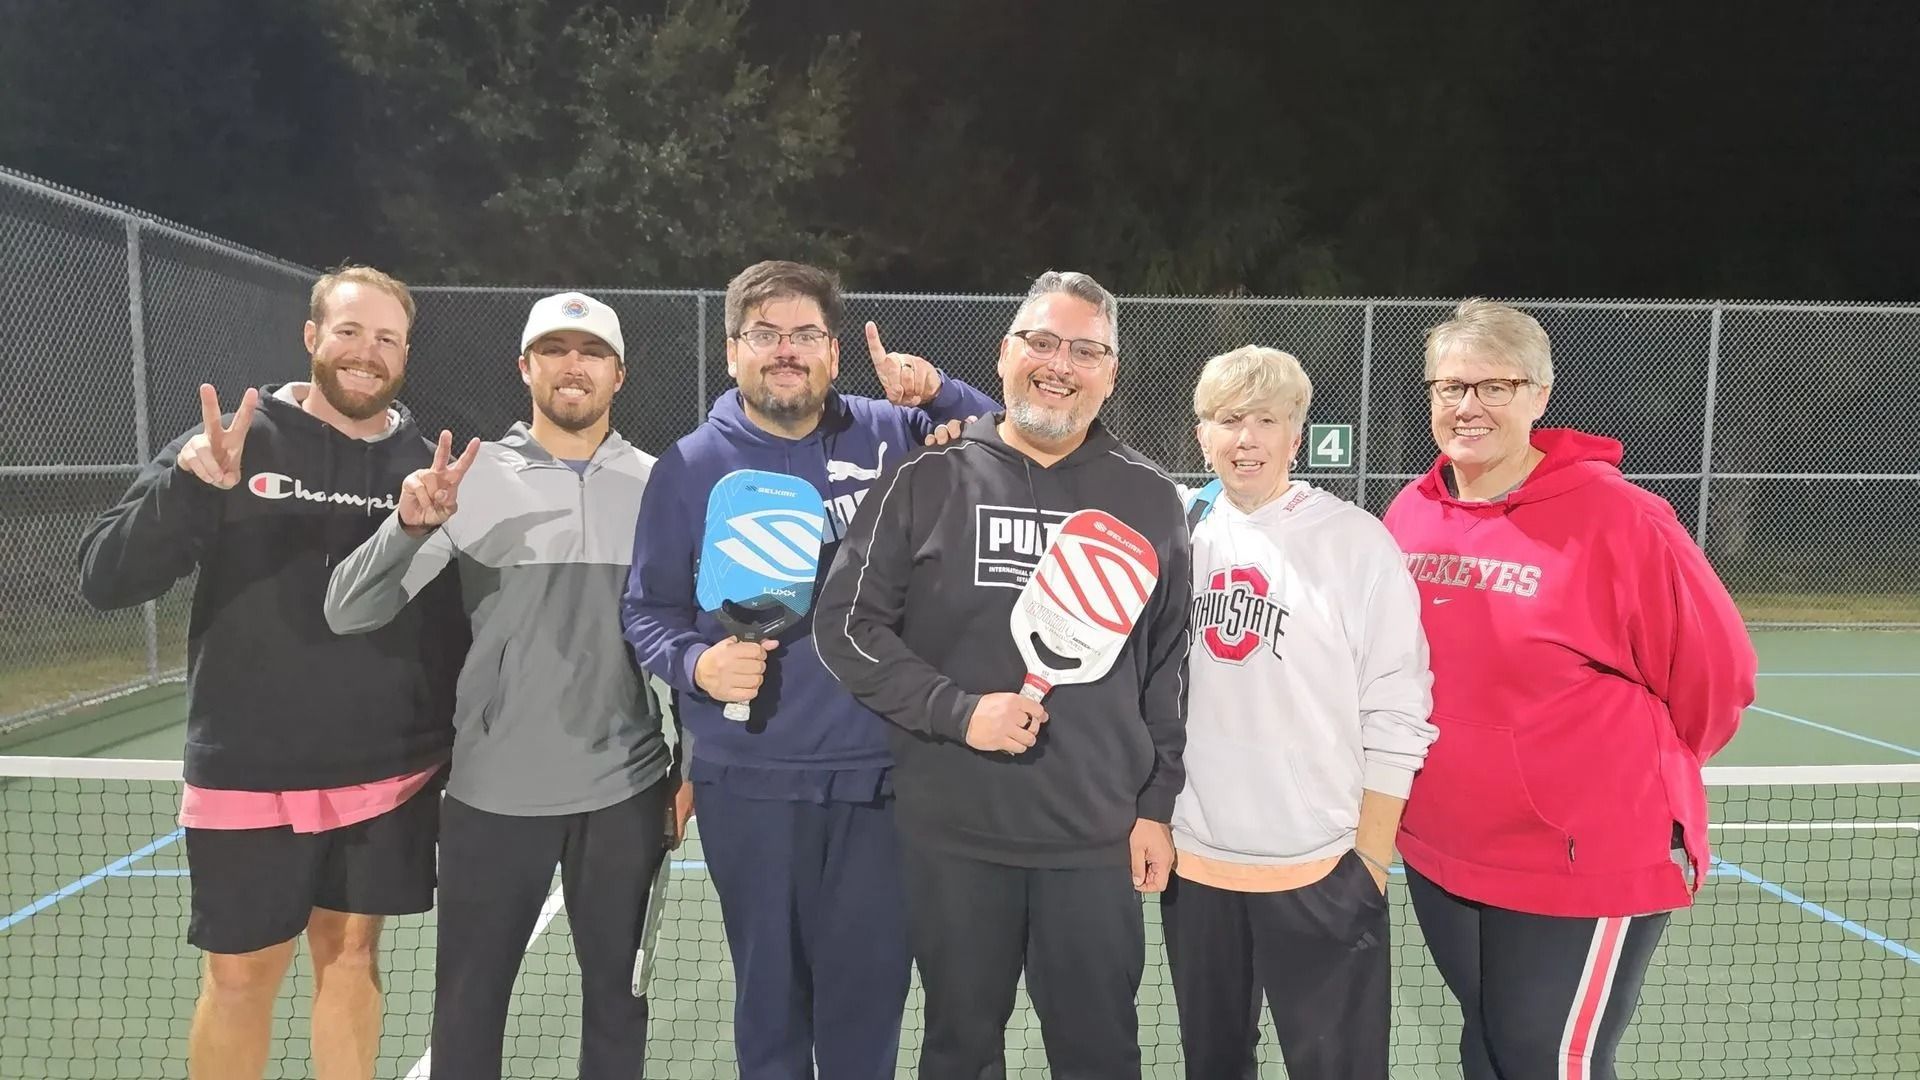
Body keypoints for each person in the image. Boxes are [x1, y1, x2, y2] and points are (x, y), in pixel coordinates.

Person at [75, 265, 466, 1080]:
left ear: (406, 354)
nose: (368, 352)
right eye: (351, 331)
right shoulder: (233, 441)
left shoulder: (426, 466)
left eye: (388, 338)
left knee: (354, 960)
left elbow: (452, 619)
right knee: (241, 976)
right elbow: (105, 577)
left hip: (386, 770)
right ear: (311, 337)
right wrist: (187, 487)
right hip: (249, 768)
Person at [620, 260, 996, 1080]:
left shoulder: (894, 433)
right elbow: (646, 610)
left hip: (885, 780)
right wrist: (696, 663)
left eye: (804, 335)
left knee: (868, 1017)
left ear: (833, 352)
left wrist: (940, 392)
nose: (784, 351)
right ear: (732, 353)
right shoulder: (687, 466)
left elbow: (1005, 436)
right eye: (764, 334)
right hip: (750, 782)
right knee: (770, 1017)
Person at [814, 270, 1192, 1080]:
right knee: (958, 1052)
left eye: (1085, 351)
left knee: (1099, 1057)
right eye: (1042, 342)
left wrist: (1155, 806)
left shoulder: (1152, 499)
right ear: (1006, 353)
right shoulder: (927, 476)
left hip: (1093, 843)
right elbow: (845, 627)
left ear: (1110, 373)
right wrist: (957, 711)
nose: (1060, 365)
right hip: (954, 838)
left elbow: (1166, 668)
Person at [1382, 299, 1757, 1080]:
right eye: (1449, 387)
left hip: (1579, 855)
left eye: (1495, 386)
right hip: (1444, 847)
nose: (1467, 406)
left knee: (1549, 1059)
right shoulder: (1411, 513)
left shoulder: (1622, 518)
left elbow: (1717, 678)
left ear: (1540, 397)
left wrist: (1606, 778)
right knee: (1485, 1044)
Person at [323, 291, 675, 1080]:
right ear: (526, 367)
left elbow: (682, 633)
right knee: (469, 1009)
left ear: (619, 373)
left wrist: (692, 769)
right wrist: (409, 526)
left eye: (590, 352)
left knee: (618, 1008)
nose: (571, 366)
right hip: (492, 797)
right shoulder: (466, 480)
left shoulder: (663, 484)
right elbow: (348, 610)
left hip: (624, 792)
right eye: (553, 350)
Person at [1162, 345, 1436, 1080]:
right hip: (1199, 870)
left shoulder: (1355, 542)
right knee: (1213, 1065)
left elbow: (1399, 709)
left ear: (1296, 435)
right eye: (1227, 420)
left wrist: (1370, 860)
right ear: (1202, 435)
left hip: (1321, 869)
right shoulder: (1174, 532)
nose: (1245, 438)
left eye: (1264, 420)